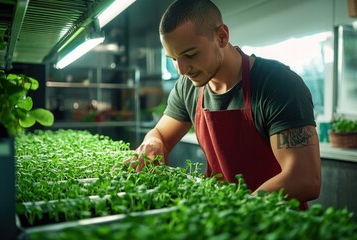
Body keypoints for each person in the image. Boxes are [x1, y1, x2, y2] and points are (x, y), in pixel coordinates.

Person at [123, 0, 321, 209]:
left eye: (190, 54)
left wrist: (236, 209)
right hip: (220, 219)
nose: (181, 69)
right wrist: (153, 142)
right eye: (173, 58)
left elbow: (305, 179)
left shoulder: (278, 84)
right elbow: (161, 134)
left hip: (276, 222)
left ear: (222, 36)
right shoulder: (187, 87)